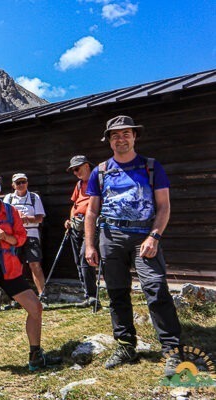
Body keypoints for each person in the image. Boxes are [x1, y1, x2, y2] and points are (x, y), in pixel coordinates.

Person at [84, 115, 182, 376]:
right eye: (115, 135)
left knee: (156, 288)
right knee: (116, 293)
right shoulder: (100, 171)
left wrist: (154, 236)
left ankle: (173, 350)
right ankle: (126, 345)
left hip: (144, 238)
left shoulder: (151, 167)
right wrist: (90, 245)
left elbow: (164, 207)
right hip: (110, 238)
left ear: (135, 136)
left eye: (126, 133)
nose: (121, 138)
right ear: (109, 140)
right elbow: (92, 212)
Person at [0, 171, 59, 371]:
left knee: (35, 307)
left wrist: (3, 236)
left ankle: (35, 355)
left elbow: (21, 237)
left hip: (9, 268)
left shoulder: (10, 212)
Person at [3, 173, 47, 300]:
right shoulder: (8, 199)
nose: (21, 185)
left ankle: (42, 295)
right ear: (13, 185)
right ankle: (18, 296)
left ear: (27, 183)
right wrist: (17, 218)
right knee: (16, 266)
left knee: (35, 264)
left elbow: (40, 218)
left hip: (31, 234)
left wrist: (26, 218)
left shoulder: (34, 197)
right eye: (18, 183)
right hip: (14, 236)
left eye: (23, 182)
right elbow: (5, 217)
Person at [63, 155, 99, 308]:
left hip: (91, 225)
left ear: (86, 166)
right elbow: (75, 205)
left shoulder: (97, 181)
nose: (76, 172)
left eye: (77, 169)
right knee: (78, 261)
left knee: (86, 258)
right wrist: (70, 220)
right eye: (73, 170)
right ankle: (88, 295)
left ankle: (93, 295)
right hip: (76, 226)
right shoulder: (79, 185)